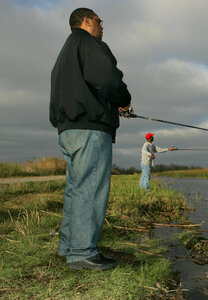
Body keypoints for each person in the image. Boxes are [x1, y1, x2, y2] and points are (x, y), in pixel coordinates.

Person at [49, 7, 131, 270]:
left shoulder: (65, 52)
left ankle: (68, 247)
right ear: (86, 21)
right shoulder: (89, 43)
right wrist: (124, 99)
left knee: (75, 189)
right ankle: (83, 252)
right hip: (91, 129)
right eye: (99, 21)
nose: (102, 26)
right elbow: (107, 78)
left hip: (68, 129)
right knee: (91, 188)